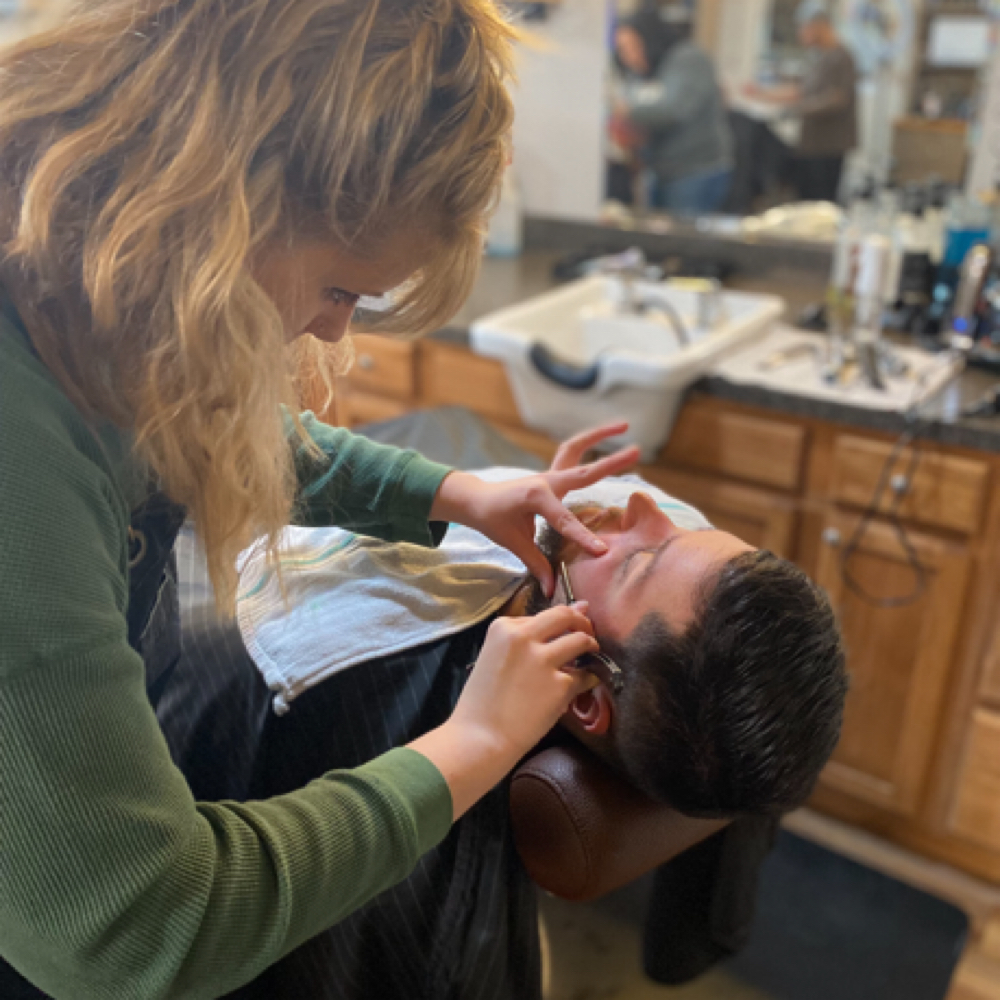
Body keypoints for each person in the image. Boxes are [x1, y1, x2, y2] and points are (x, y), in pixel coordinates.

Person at [0, 3, 641, 998]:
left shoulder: (82, 272)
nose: (333, 333)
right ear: (222, 192)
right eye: (341, 287)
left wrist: (457, 493)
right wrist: (470, 744)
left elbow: (196, 407)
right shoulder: (17, 447)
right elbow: (135, 930)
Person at [157, 423, 848, 998]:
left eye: (643, 559)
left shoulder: (292, 682)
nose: (639, 506)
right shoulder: (678, 615)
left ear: (583, 691)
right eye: (686, 532)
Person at [612, 9, 734, 215]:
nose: (629, 57)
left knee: (682, 242)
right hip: (660, 170)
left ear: (649, 38)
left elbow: (673, 109)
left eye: (633, 47)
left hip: (694, 171)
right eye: (623, 50)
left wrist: (627, 111)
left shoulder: (688, 60)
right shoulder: (645, 71)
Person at [748, 0, 858, 203]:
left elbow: (837, 99)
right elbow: (800, 91)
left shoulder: (841, 57)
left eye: (803, 28)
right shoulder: (820, 58)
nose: (800, 34)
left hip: (827, 148)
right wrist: (761, 94)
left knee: (820, 205)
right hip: (811, 147)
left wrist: (798, 110)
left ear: (818, 26)